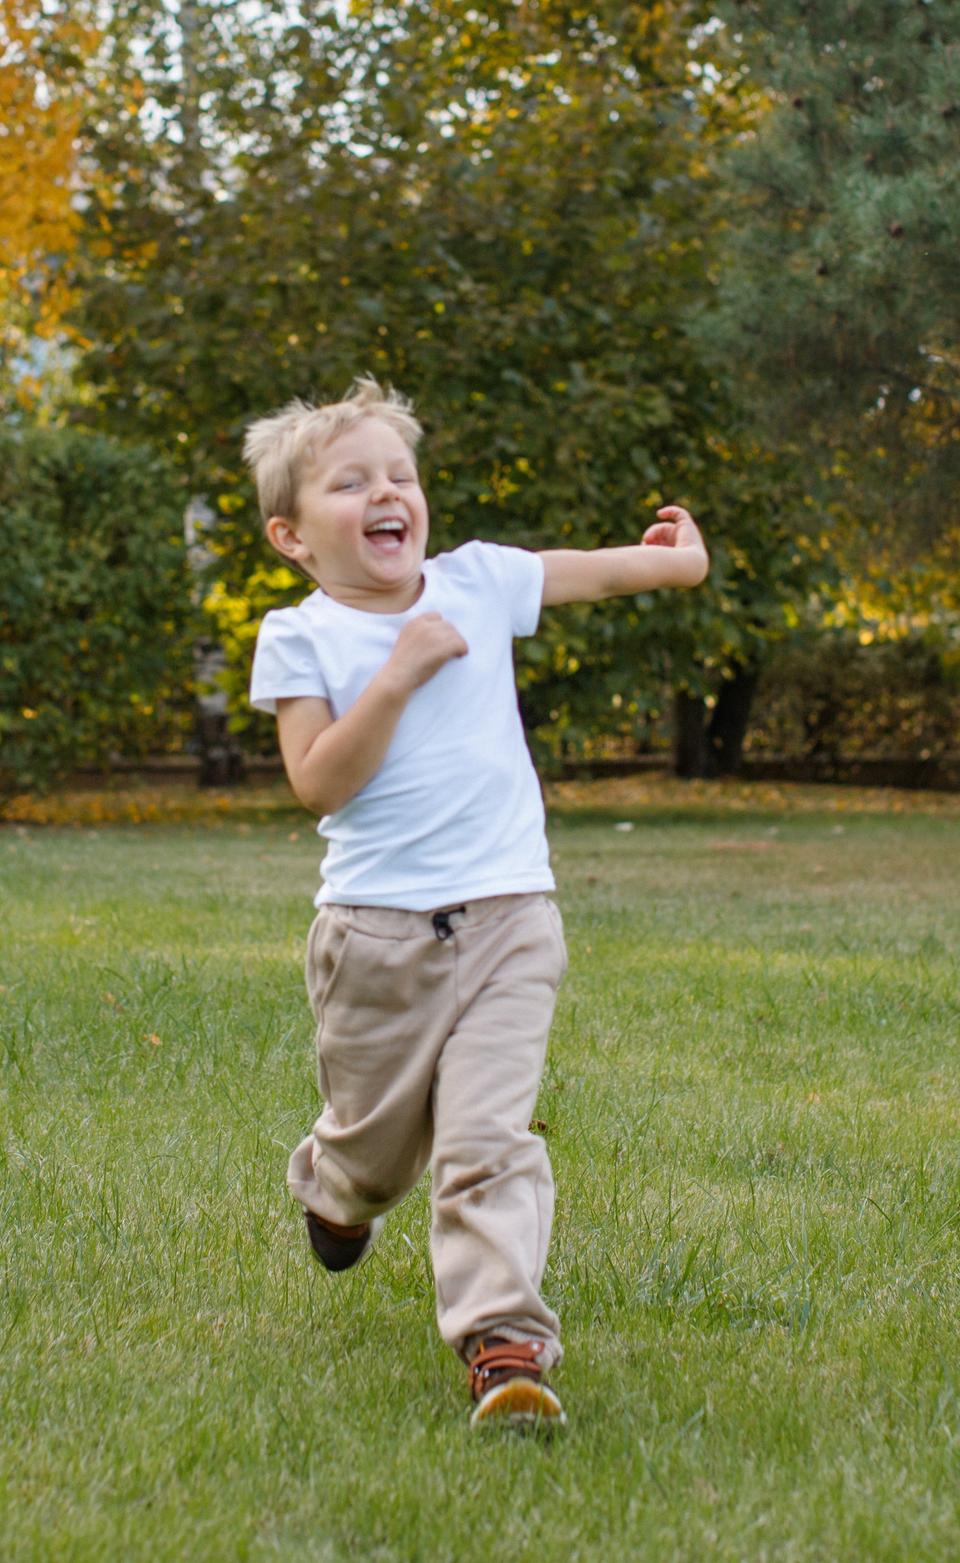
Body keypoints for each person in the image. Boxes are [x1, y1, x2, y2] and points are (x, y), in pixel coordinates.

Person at [242, 378, 708, 1425]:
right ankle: (334, 1183)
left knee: (487, 1139)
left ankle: (503, 1344)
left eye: (399, 475)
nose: (386, 493)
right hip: (374, 940)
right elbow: (317, 778)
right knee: (376, 1149)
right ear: (292, 533)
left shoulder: (480, 580)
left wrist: (680, 559)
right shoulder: (300, 633)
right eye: (351, 482)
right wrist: (399, 673)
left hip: (510, 921)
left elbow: (596, 570)